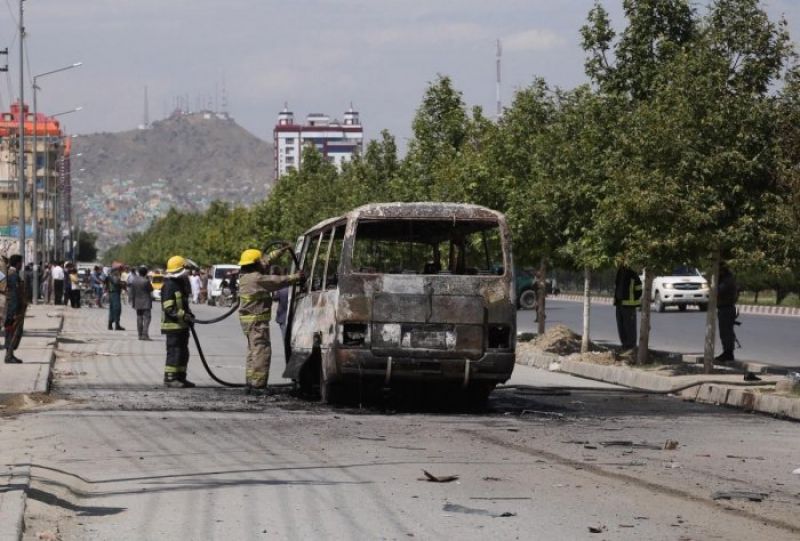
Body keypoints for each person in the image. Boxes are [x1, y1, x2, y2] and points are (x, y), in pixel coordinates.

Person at [237, 247, 303, 395]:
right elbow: (276, 281)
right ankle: (259, 386)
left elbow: (265, 261)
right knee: (262, 352)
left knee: (252, 351)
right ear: (255, 263)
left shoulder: (245, 275)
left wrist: (280, 251)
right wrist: (296, 277)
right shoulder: (257, 278)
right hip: (257, 322)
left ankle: (250, 382)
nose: (264, 262)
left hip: (249, 322)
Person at [161, 255, 196, 388]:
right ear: (180, 269)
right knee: (174, 352)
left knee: (183, 352)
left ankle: (181, 377)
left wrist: (190, 315)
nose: (188, 271)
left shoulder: (180, 284)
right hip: (173, 326)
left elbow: (184, 305)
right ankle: (170, 378)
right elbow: (169, 308)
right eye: (185, 268)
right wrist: (183, 315)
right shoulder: (170, 285)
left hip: (182, 325)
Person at [614, 261, 642, 353]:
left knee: (629, 326)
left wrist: (633, 300)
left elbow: (638, 289)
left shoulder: (632, 274)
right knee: (621, 326)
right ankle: (624, 345)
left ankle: (631, 346)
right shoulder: (619, 273)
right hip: (619, 304)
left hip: (629, 306)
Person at [4, 254, 26, 364]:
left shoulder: (9, 273)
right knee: (12, 331)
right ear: (18, 263)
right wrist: (14, 311)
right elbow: (13, 293)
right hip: (12, 309)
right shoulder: (13, 275)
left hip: (9, 308)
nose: (21, 265)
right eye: (21, 263)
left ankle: (10, 354)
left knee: (10, 331)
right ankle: (9, 356)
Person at [715, 262, 738, 363]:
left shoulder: (727, 280)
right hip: (724, 308)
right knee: (725, 332)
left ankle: (728, 353)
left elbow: (718, 291)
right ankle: (727, 352)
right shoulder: (725, 279)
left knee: (726, 332)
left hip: (727, 308)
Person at [130, 265, 154, 340]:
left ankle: (140, 335)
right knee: (147, 318)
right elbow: (151, 289)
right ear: (146, 273)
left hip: (137, 301)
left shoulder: (134, 280)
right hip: (146, 302)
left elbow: (132, 291)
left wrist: (131, 301)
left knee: (139, 318)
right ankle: (145, 334)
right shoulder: (146, 281)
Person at [107, 263, 125, 330]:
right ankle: (117, 325)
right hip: (115, 293)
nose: (121, 270)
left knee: (112, 309)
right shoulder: (115, 274)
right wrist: (123, 283)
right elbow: (116, 282)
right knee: (117, 309)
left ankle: (110, 324)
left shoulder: (111, 274)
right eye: (121, 268)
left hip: (112, 293)